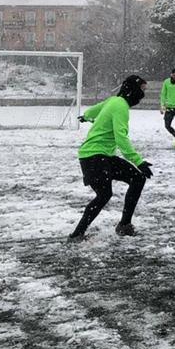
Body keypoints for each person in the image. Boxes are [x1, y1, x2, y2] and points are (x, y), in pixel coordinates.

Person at [68, 75, 154, 241]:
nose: (142, 96)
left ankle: (124, 226)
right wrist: (139, 161)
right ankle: (76, 235)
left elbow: (95, 110)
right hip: (93, 156)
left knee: (137, 179)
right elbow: (121, 137)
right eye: (142, 91)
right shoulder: (120, 106)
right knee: (104, 195)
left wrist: (86, 116)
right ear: (133, 90)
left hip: (103, 156)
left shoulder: (113, 100)